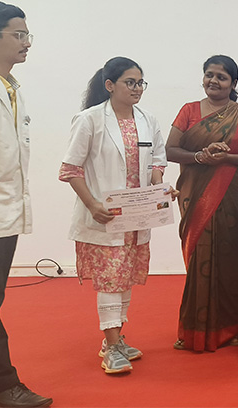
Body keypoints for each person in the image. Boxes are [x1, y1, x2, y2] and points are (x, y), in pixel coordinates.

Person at [60, 56, 172, 374]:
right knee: (111, 279)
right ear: (110, 85)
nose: (137, 88)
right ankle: (111, 348)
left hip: (136, 218)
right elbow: (70, 169)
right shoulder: (89, 119)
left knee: (124, 279)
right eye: (130, 82)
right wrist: (92, 204)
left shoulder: (148, 119)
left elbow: (157, 160)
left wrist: (158, 188)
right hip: (105, 217)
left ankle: (117, 339)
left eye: (140, 83)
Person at [0, 0, 53, 407]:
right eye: (19, 35)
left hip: (1, 212)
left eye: (27, 34)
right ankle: (0, 387)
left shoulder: (8, 85)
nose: (27, 42)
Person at [166, 55, 238, 352]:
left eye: (221, 77)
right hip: (196, 197)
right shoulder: (189, 110)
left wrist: (226, 157)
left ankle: (230, 329)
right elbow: (170, 150)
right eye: (209, 75)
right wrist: (200, 156)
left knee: (231, 260)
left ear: (233, 84)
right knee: (200, 261)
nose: (214, 81)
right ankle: (191, 331)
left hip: (235, 199)